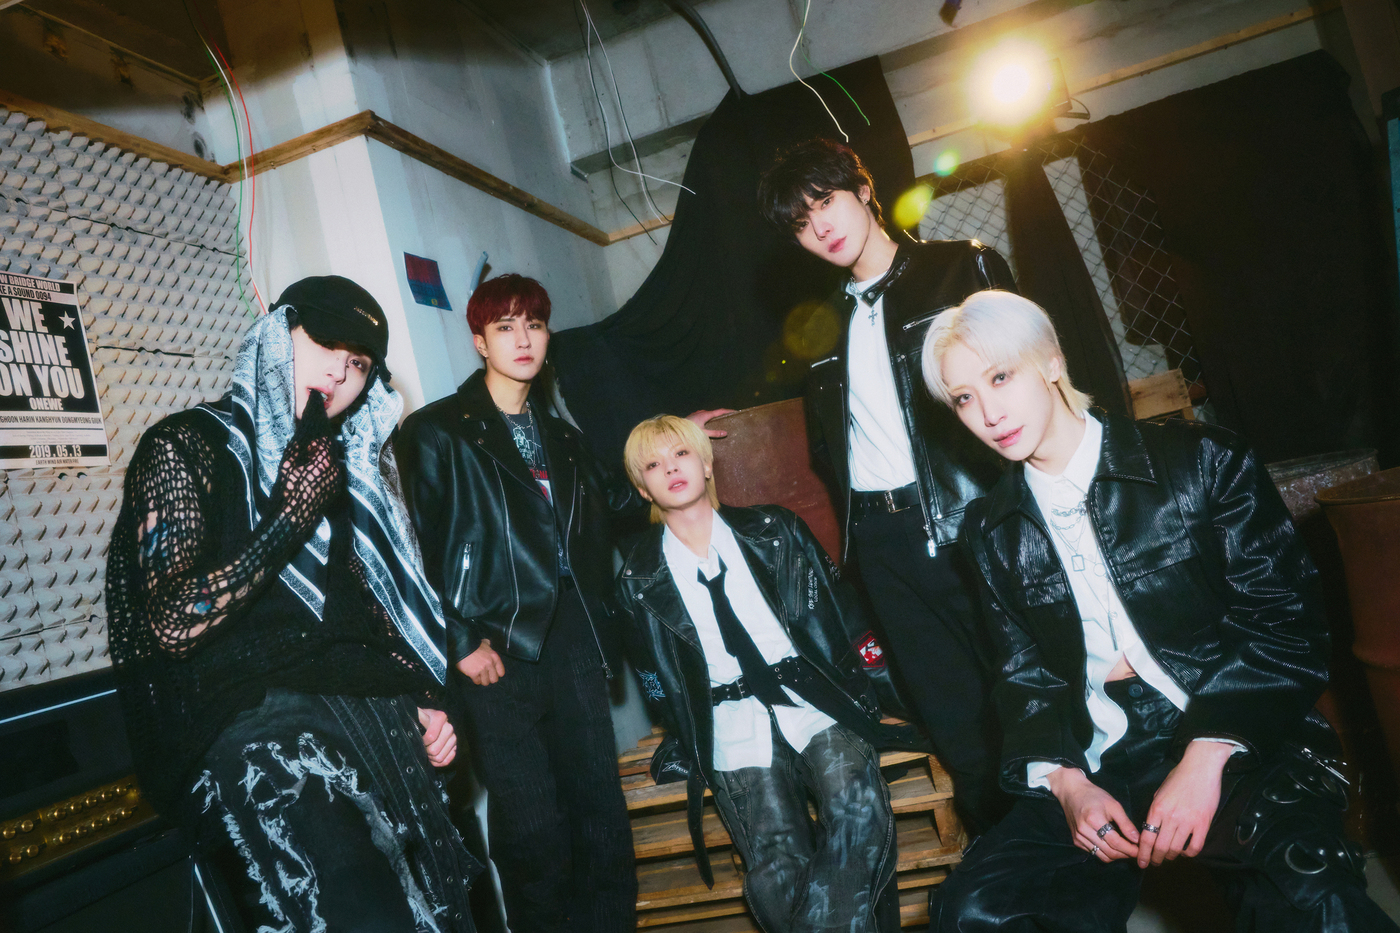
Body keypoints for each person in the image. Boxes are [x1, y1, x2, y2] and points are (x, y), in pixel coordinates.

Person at [920, 289, 1397, 932]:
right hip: (1100, 752)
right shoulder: (990, 529)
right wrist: (1068, 786)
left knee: (1312, 900)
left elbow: (1286, 623)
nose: (988, 413)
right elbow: (1023, 676)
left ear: (1052, 361)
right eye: (963, 398)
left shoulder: (1202, 462)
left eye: (1000, 376)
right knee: (975, 910)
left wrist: (1206, 755)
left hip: (1234, 720)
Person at [106, 275, 479, 932]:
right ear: (277, 338)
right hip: (263, 742)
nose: (340, 370)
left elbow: (369, 621)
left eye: (359, 363)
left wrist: (422, 702)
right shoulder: (187, 444)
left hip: (373, 726)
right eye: (325, 343)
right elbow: (171, 621)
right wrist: (289, 518)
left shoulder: (352, 472)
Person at [756, 137, 1017, 835]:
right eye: (801, 222)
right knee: (952, 718)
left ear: (865, 190)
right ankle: (1005, 862)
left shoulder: (960, 269)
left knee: (1024, 695)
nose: (821, 227)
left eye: (826, 201)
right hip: (882, 542)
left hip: (971, 520)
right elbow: (827, 446)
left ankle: (1076, 853)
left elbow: (1026, 387)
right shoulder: (819, 327)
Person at [395, 274, 645, 933]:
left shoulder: (563, 437)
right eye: (505, 327)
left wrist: (669, 439)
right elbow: (412, 549)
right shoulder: (438, 431)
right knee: (534, 829)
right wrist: (458, 641)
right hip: (495, 648)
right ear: (480, 342)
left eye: (533, 324)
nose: (523, 338)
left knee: (600, 812)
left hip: (576, 637)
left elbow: (617, 510)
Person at [615, 414, 924, 933]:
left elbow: (844, 615)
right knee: (776, 859)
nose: (670, 468)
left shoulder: (776, 530)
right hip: (729, 721)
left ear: (706, 464)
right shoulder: (636, 580)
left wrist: (882, 691)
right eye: (653, 464)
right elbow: (655, 678)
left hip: (812, 698)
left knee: (855, 803)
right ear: (642, 488)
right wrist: (686, 735)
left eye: (681, 454)